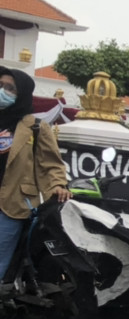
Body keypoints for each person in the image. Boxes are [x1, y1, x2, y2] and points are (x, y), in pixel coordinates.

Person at [0, 66, 70, 281]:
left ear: (21, 94)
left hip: (11, 204)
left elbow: (51, 164)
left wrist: (58, 184)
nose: (3, 91)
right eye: (0, 85)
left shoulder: (35, 127)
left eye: (9, 88)